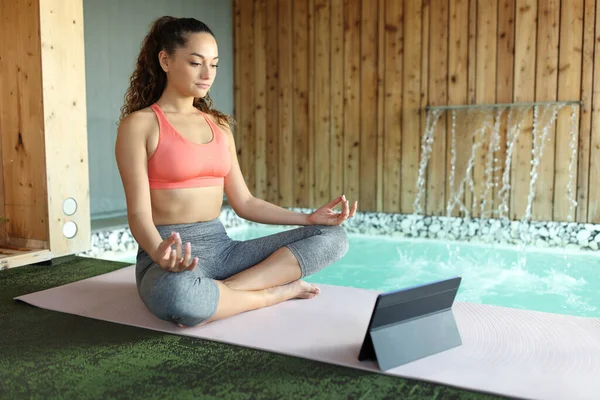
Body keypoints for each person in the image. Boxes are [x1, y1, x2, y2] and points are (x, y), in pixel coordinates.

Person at [115, 16, 358, 328]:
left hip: (224, 252)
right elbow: (138, 215)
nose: (207, 74)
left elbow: (245, 202)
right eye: (195, 62)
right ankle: (272, 294)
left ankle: (223, 295)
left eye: (214, 65)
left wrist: (307, 218)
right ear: (165, 60)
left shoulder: (218, 125)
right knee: (179, 296)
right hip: (168, 257)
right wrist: (161, 256)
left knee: (333, 238)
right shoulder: (139, 125)